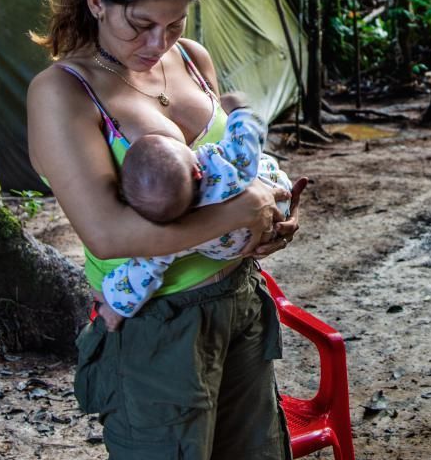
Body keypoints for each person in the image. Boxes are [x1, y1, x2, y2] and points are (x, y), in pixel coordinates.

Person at [26, 0, 298, 460]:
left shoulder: (193, 60)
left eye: (174, 24)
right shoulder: (64, 93)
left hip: (241, 306)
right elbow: (107, 231)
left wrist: (264, 221)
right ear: (98, 2)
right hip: (158, 328)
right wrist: (240, 211)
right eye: (141, 24)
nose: (158, 44)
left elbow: (232, 167)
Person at [96, 93, 296, 327]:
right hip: (275, 201)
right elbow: (246, 140)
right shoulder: (220, 167)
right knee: (255, 165)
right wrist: (239, 109)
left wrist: (114, 306)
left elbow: (142, 272)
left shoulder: (176, 233)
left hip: (231, 249)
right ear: (196, 171)